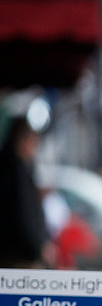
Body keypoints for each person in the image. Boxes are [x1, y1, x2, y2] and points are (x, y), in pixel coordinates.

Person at [0, 115, 54, 268]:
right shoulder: (15, 169)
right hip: (16, 256)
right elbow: (22, 213)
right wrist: (37, 247)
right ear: (23, 141)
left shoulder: (13, 166)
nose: (35, 148)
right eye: (33, 142)